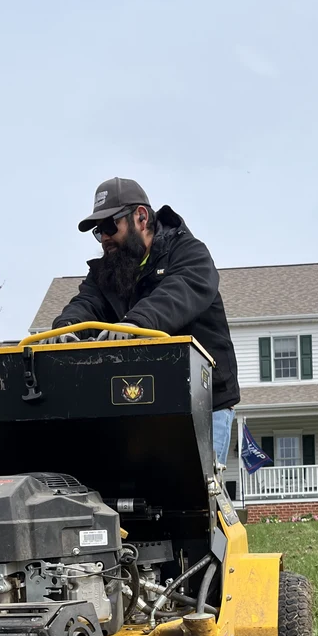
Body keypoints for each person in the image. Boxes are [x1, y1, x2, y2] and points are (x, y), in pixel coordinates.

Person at [46, 178, 240, 469]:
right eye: (99, 232)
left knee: (200, 498)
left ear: (141, 216)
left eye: (110, 226)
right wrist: (65, 329)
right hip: (143, 406)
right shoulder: (109, 271)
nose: (105, 238)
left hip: (204, 405)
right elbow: (85, 304)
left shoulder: (189, 254)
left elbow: (177, 293)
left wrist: (133, 325)